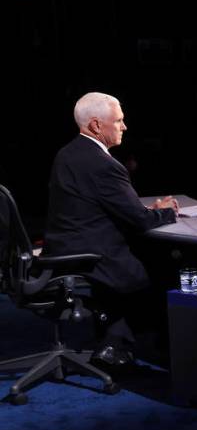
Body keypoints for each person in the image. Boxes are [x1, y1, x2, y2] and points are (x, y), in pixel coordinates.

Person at [44, 92, 179, 370]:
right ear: (96, 125)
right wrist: (167, 211)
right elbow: (140, 221)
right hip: (91, 256)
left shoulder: (66, 153)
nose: (124, 127)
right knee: (167, 264)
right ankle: (156, 350)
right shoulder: (104, 164)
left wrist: (145, 211)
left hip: (61, 250)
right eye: (118, 121)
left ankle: (114, 341)